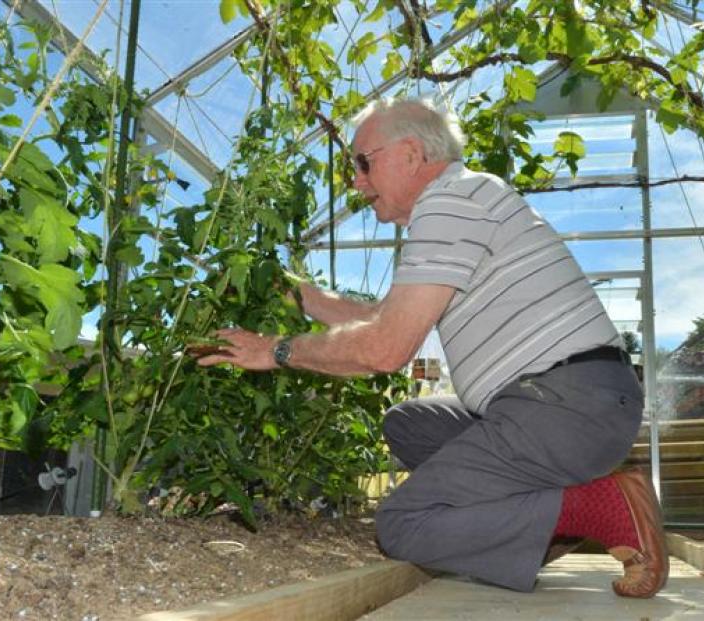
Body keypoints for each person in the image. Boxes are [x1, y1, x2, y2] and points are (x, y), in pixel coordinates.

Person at [196, 98, 668, 597]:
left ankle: (600, 506)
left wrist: (276, 351)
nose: (356, 181)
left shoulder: (449, 202)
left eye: (362, 161)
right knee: (410, 425)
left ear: (411, 153)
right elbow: (384, 319)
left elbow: (384, 349)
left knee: (402, 523)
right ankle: (543, 522)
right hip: (569, 404)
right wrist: (295, 294)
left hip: (564, 405)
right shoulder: (466, 199)